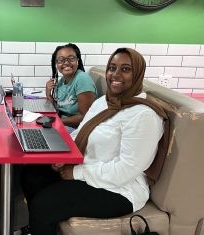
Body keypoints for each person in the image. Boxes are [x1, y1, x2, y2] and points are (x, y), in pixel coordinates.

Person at [20, 48, 170, 235]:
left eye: (125, 69)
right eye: (112, 68)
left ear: (138, 73)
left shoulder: (144, 115)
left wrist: (75, 172)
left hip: (120, 189)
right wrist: (62, 156)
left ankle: (41, 222)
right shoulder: (105, 102)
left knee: (44, 205)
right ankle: (41, 227)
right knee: (31, 174)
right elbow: (80, 132)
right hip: (89, 169)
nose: (115, 74)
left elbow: (127, 169)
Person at [45, 43, 97, 132]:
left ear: (77, 60)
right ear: (56, 63)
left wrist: (57, 121)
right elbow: (59, 109)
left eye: (71, 58)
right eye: (61, 60)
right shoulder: (62, 81)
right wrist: (48, 94)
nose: (66, 62)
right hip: (65, 124)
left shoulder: (82, 79)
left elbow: (86, 117)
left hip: (77, 129)